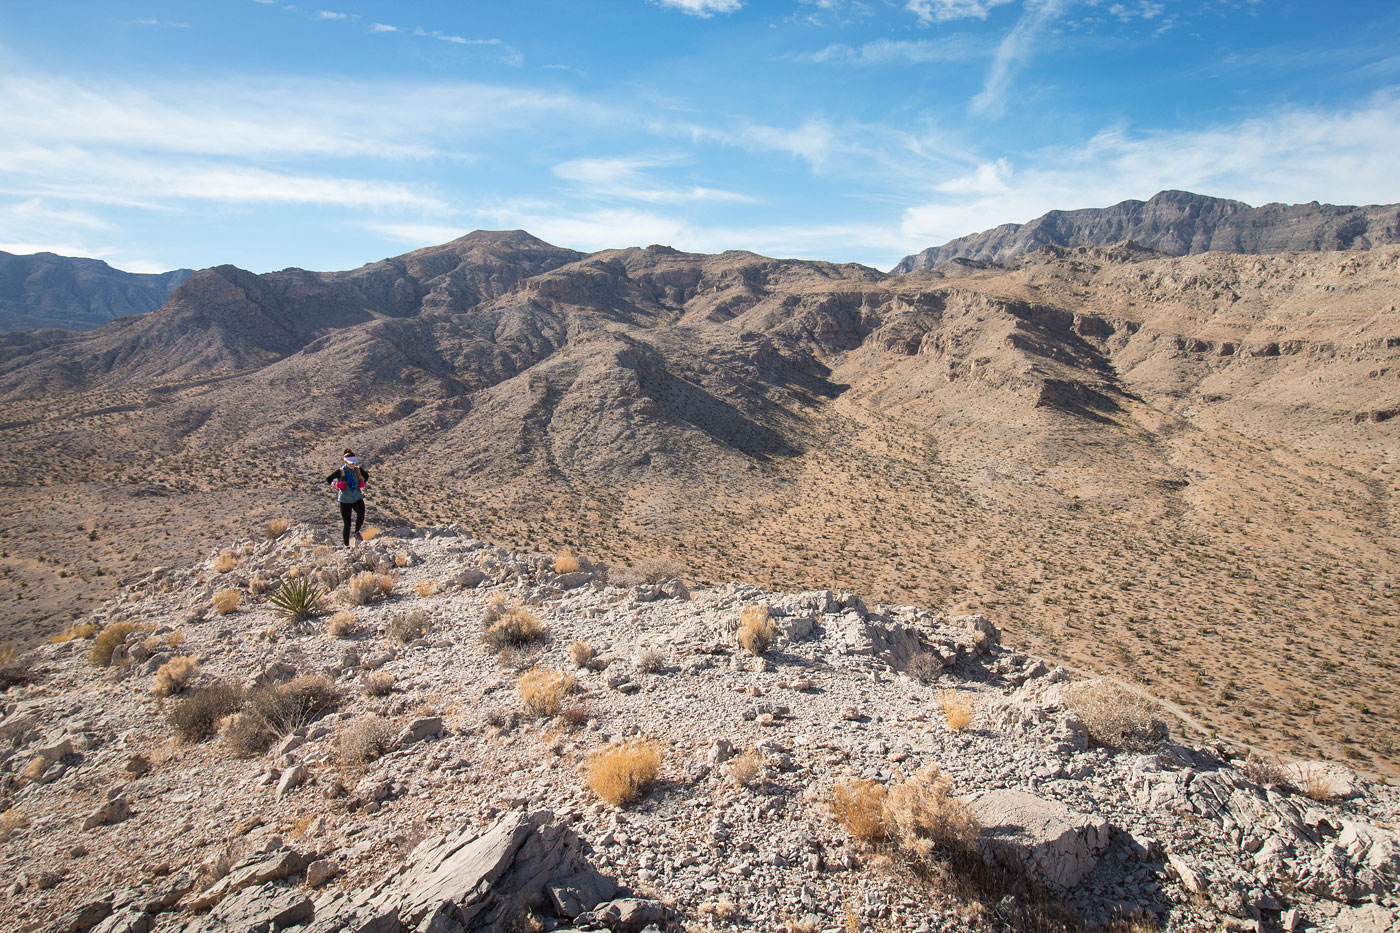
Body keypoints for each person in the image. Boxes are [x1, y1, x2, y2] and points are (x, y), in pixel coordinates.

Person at [327, 448, 369, 547]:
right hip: (345, 500)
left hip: (357, 498)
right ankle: (346, 546)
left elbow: (366, 476)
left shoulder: (358, 470)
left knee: (361, 514)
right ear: (345, 461)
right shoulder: (340, 471)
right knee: (347, 524)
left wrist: (363, 482)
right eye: (350, 463)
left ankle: (357, 532)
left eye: (354, 462)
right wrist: (336, 485)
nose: (352, 465)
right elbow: (328, 479)